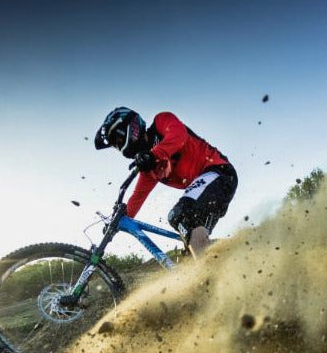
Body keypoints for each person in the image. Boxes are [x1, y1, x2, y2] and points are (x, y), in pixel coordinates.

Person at [94, 107, 238, 258]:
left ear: (131, 129)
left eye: (118, 140)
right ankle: (224, 272)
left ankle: (209, 272)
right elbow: (138, 196)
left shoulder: (161, 122)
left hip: (220, 172)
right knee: (191, 251)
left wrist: (153, 155)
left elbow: (179, 135)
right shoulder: (149, 170)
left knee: (180, 215)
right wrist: (117, 221)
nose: (119, 147)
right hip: (208, 192)